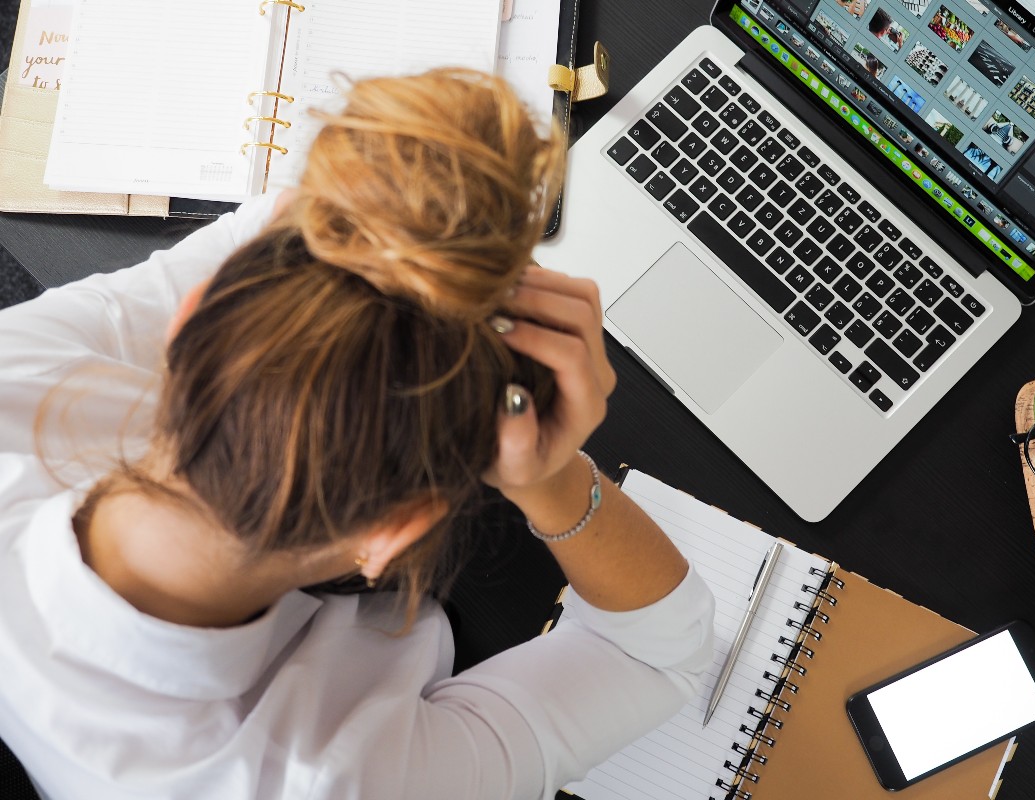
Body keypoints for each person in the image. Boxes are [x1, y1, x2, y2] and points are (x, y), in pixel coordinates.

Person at [0, 70, 715, 799]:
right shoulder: (341, 782)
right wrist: (551, 478)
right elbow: (658, 655)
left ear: (183, 326)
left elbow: (274, 224)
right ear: (394, 533)